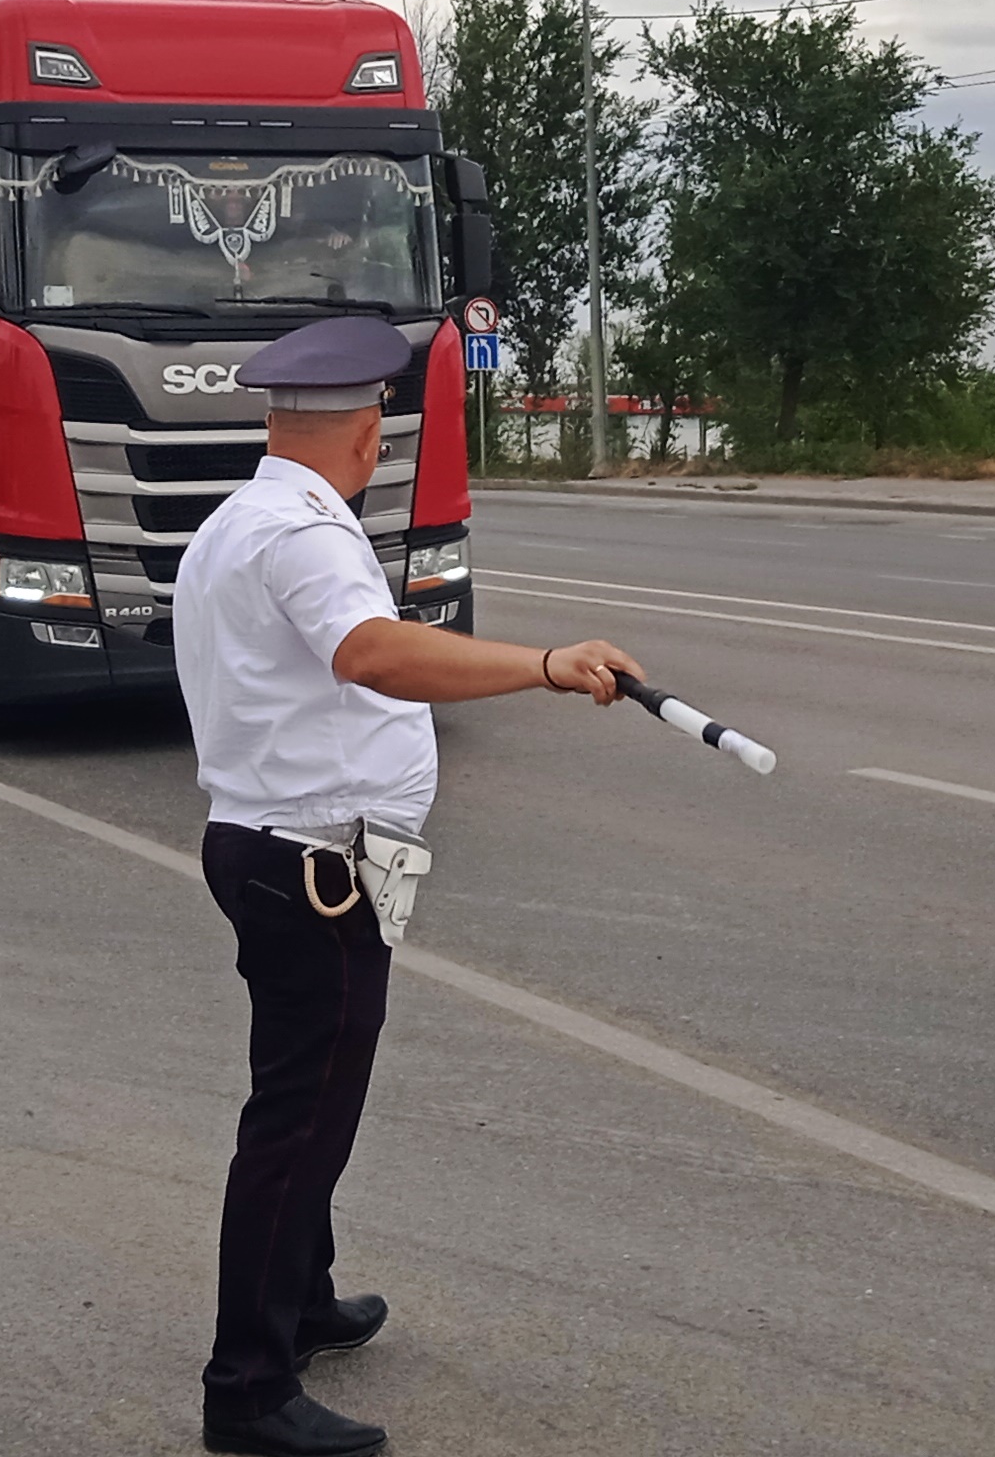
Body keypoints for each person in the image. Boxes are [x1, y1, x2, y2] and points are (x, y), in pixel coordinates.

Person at [173, 315, 643, 1457]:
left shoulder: (242, 517)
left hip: (284, 849)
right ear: (366, 429)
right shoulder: (304, 536)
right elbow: (372, 653)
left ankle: (305, 1296)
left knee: (315, 1097)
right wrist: (541, 665)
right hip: (308, 864)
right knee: (298, 1120)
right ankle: (246, 1387)